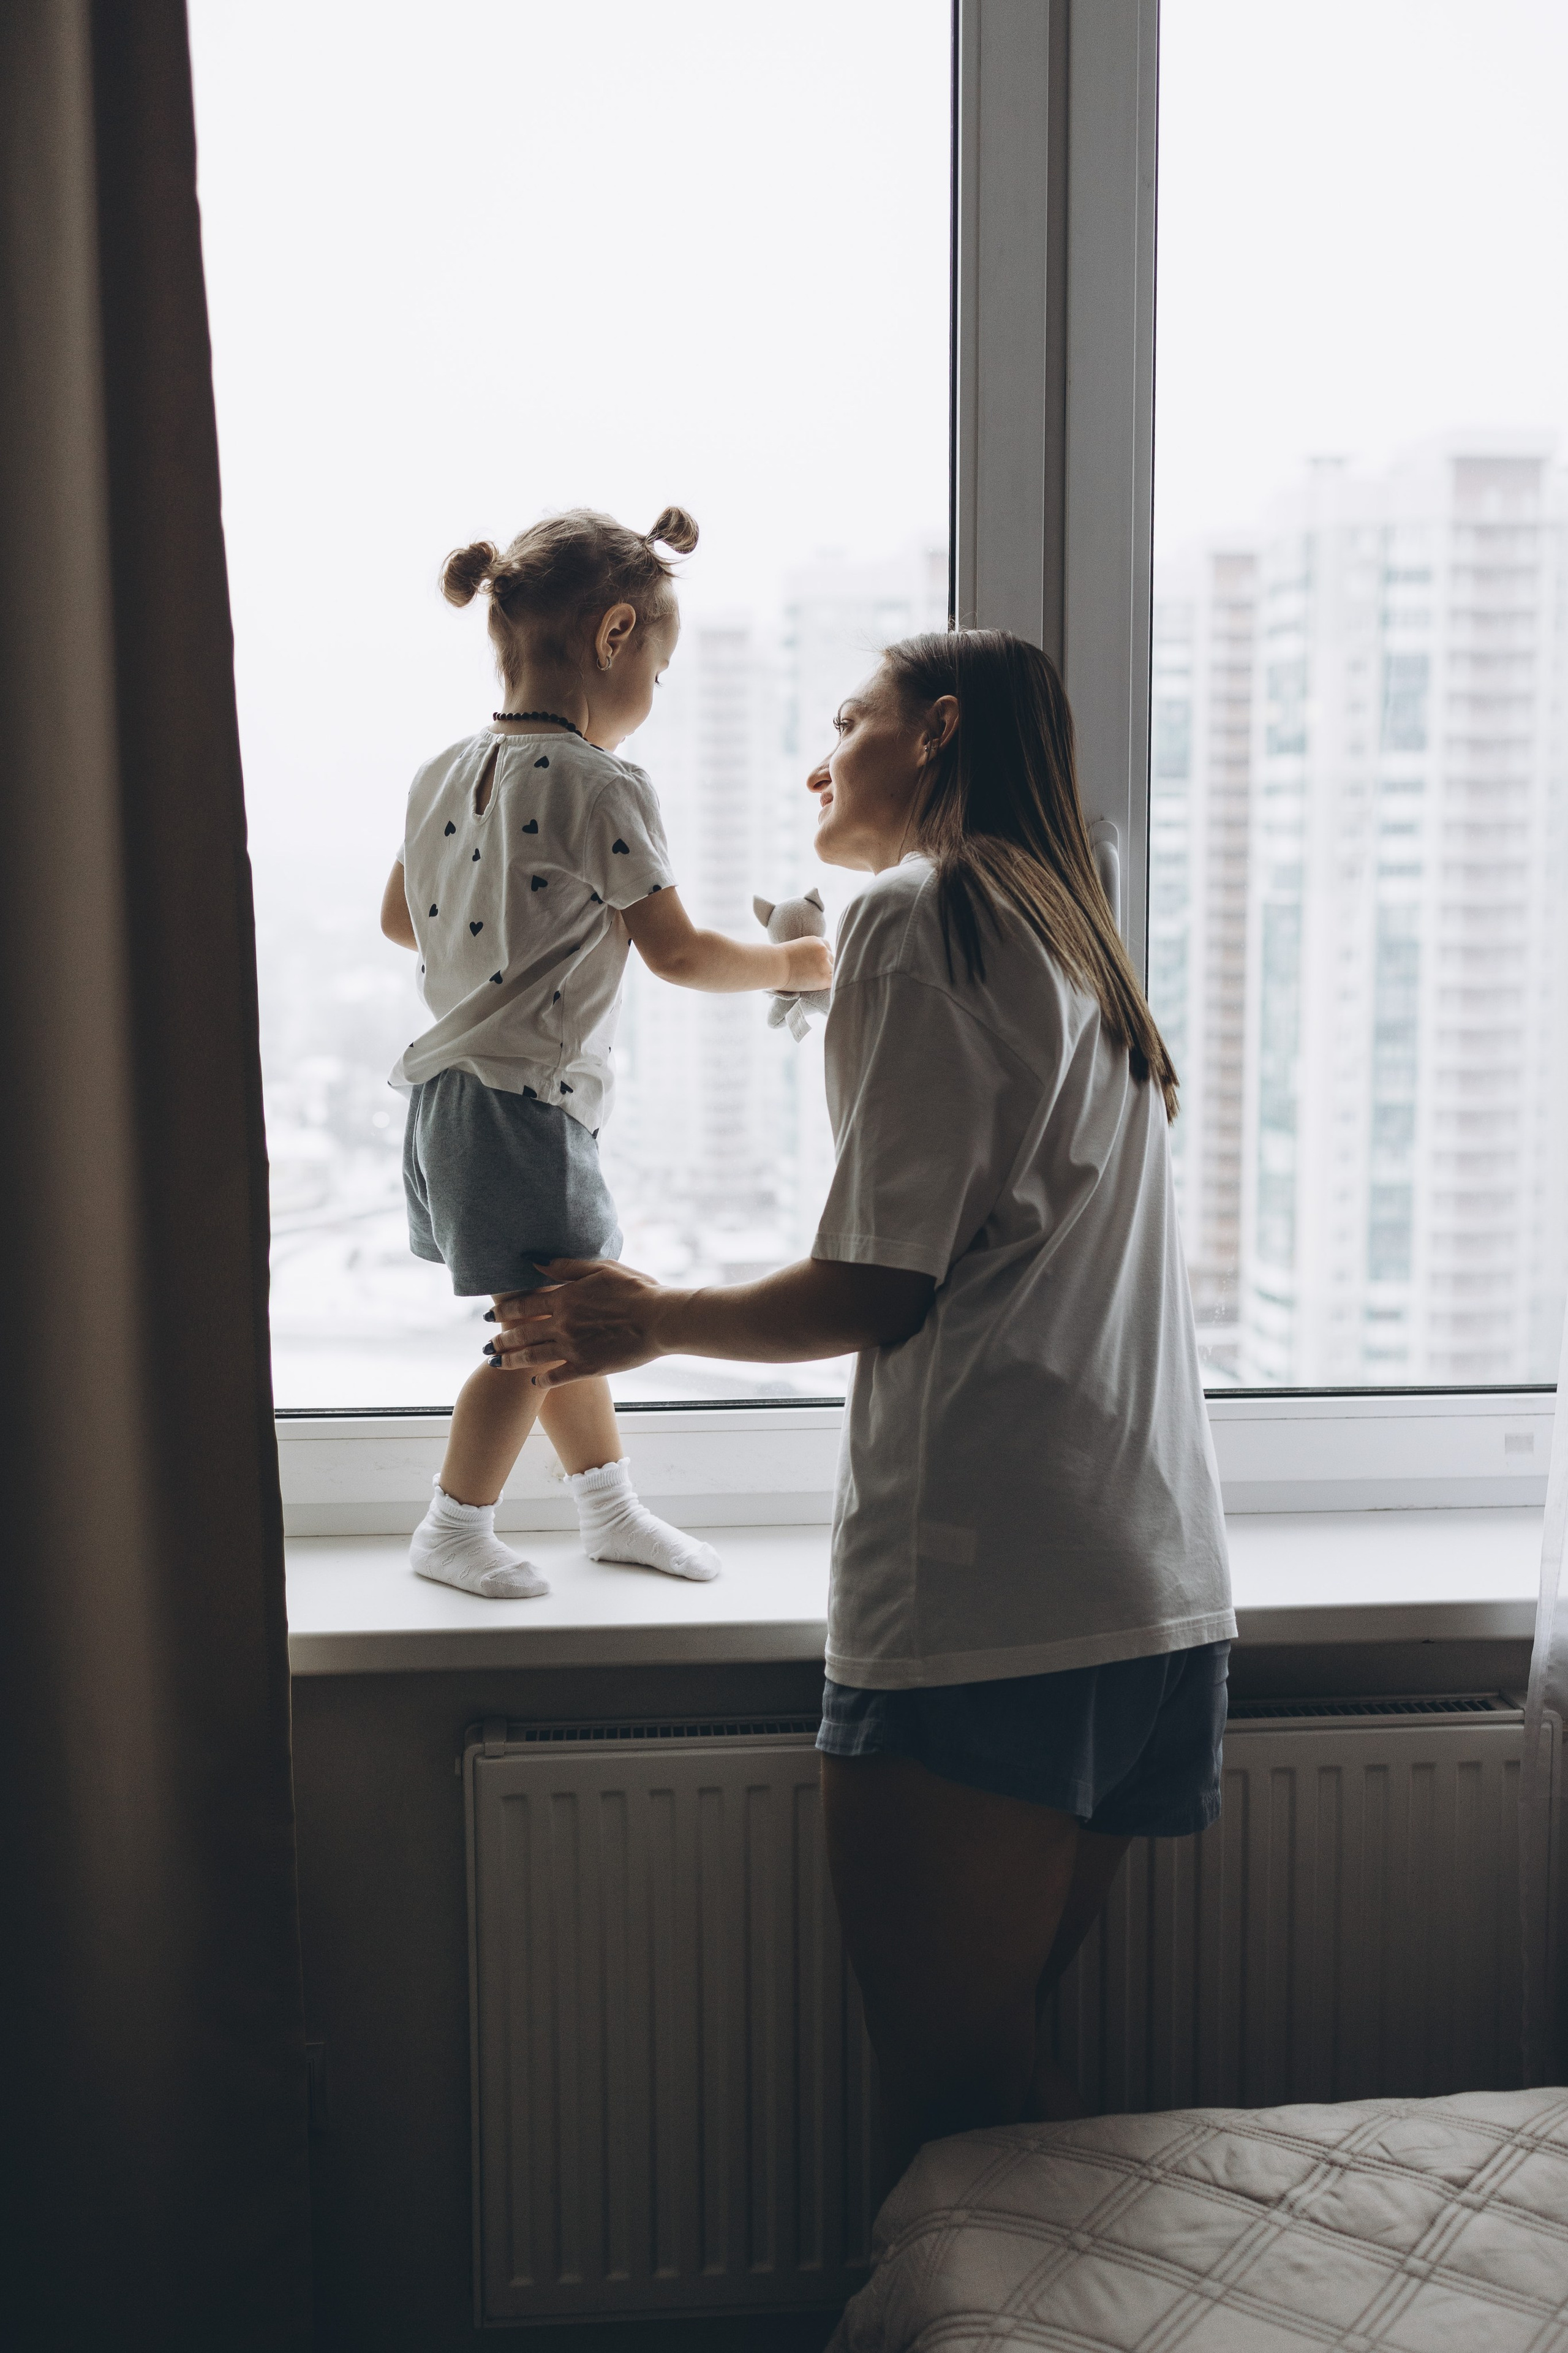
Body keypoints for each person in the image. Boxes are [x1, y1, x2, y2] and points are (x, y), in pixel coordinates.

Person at [488, 627, 1235, 2160]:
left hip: (990, 1605)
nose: (817, 760)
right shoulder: (1067, 932)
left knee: (945, 2102)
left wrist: (651, 1320)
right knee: (999, 2085)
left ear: (937, 732)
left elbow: (877, 1286)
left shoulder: (918, 912)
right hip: (1148, 1593)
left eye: (849, 721)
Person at [379, 505, 833, 1600]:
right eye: (660, 670)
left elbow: (404, 921)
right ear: (616, 635)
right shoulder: (602, 786)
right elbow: (676, 954)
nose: (653, 696)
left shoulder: (443, 769)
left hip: (448, 1092)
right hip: (520, 1103)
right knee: (544, 1332)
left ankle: (608, 1510)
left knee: (565, 1311)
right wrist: (801, 965)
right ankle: (454, 1525)